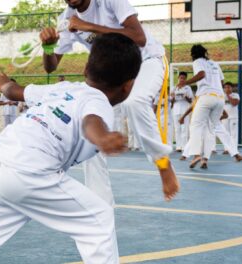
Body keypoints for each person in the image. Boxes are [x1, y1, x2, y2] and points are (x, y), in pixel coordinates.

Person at [0, 33, 178, 264]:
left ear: (87, 68)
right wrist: (103, 138)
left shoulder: (63, 88)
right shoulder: (99, 102)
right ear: (129, 86)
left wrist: (3, 83)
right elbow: (92, 122)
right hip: (29, 171)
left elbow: (15, 92)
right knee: (99, 219)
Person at [40, 0, 175, 205]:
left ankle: (163, 163)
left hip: (147, 60)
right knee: (90, 121)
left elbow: (139, 37)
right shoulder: (67, 20)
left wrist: (90, 27)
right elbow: (50, 67)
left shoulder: (109, 2)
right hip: (113, 72)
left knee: (134, 102)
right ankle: (100, 203)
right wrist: (48, 48)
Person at [180, 44, 231, 168]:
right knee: (210, 129)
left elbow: (201, 74)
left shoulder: (197, 62)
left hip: (206, 96)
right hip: (219, 98)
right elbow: (222, 82)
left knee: (195, 126)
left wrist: (185, 82)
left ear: (193, 54)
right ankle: (205, 159)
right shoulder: (214, 64)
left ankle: (196, 155)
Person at [171, 72, 194, 152]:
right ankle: (178, 146)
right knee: (177, 129)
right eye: (181, 78)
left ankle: (185, 146)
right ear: (178, 78)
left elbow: (191, 100)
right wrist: (173, 97)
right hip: (176, 109)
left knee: (184, 128)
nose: (182, 80)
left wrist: (186, 97)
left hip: (185, 109)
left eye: (184, 78)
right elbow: (172, 101)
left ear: (186, 79)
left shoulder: (188, 88)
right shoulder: (174, 88)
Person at [222, 82, 240, 155]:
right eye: (225, 87)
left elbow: (234, 103)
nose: (227, 89)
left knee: (234, 133)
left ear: (232, 88)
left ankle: (234, 149)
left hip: (233, 117)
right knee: (225, 133)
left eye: (229, 87)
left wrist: (228, 96)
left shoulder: (236, 95)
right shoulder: (221, 96)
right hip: (224, 117)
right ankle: (226, 149)